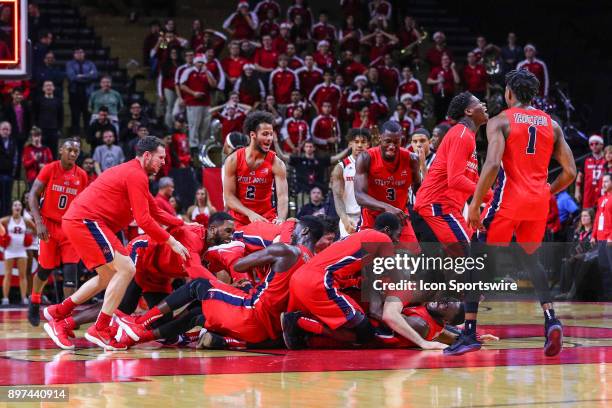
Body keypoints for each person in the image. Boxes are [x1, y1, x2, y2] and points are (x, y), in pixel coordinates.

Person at [456, 69, 577, 357]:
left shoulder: (500, 121)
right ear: (533, 94)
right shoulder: (552, 124)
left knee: (477, 256)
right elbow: (571, 172)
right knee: (529, 257)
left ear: (508, 93)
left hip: (510, 199)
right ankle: (551, 320)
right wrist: (547, 191)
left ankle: (469, 332)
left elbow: (494, 164)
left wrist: (474, 205)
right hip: (538, 202)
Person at [42, 136, 188, 351]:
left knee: (108, 276)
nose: (163, 162)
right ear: (147, 156)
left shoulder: (135, 174)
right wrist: (172, 241)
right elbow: (144, 220)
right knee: (127, 268)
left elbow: (155, 210)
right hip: (86, 221)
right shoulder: (135, 174)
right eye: (160, 157)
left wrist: (181, 223)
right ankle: (100, 328)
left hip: (80, 221)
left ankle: (58, 314)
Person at [117, 215, 323, 349]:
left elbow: (238, 265)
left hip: (253, 311)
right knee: (200, 313)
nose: (230, 236)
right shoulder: (312, 262)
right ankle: (143, 335)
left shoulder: (285, 249)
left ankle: (138, 326)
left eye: (296, 229)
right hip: (266, 327)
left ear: (302, 232)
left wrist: (285, 226)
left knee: (199, 287)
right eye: (227, 232)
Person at [45, 217, 233, 350]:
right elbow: (196, 273)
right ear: (213, 229)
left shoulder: (212, 249)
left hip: (159, 275)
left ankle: (129, 328)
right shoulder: (194, 237)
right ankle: (64, 324)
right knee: (121, 304)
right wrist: (224, 290)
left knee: (166, 327)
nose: (230, 236)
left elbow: (226, 267)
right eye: (228, 231)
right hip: (141, 257)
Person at [281, 213, 400, 349]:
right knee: (365, 332)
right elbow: (394, 277)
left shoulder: (358, 237)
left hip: (300, 278)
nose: (397, 240)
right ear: (387, 230)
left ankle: (306, 327)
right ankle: (299, 322)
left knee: (352, 327)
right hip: (319, 281)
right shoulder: (383, 240)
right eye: (398, 235)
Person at [414, 92, 489, 256]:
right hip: (437, 204)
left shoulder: (468, 136)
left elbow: (472, 178)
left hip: (449, 207)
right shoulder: (461, 135)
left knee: (465, 256)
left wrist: (494, 196)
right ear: (468, 111)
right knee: (466, 255)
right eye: (479, 102)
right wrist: (484, 192)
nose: (484, 105)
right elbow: (455, 180)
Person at [27, 139, 87, 326]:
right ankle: (35, 300)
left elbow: (85, 204)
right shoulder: (50, 169)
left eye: (76, 151)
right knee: (45, 271)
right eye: (70, 150)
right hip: (49, 225)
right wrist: (38, 222)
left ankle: (64, 317)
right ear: (61, 150)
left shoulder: (82, 175)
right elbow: (32, 195)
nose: (73, 153)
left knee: (71, 274)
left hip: (70, 227)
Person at [354, 121, 421, 248]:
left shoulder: (412, 159)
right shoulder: (366, 158)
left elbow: (419, 190)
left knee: (412, 261)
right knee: (367, 260)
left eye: (396, 142)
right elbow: (359, 196)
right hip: (372, 216)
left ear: (402, 140)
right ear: (380, 138)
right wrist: (387, 207)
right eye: (388, 141)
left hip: (400, 217)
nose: (392, 146)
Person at [223, 111, 288, 228]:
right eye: (265, 134)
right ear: (253, 135)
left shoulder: (276, 163)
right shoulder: (233, 160)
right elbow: (229, 197)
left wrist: (281, 219)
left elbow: (283, 196)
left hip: (266, 218)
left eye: (271, 134)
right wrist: (250, 214)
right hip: (239, 219)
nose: (269, 138)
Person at [332, 128, 371, 237]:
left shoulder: (374, 165)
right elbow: (337, 196)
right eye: (356, 142)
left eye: (363, 142)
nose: (359, 145)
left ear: (368, 144)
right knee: (348, 252)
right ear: (350, 144)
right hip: (349, 216)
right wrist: (344, 218)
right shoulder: (341, 167)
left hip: (369, 216)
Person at [180, 54, 217, 151]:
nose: (201, 64)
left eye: (202, 62)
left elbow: (213, 85)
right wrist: (193, 93)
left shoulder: (207, 73)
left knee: (205, 126)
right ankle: (193, 147)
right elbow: (182, 85)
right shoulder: (188, 71)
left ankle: (202, 146)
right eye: (199, 62)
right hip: (193, 103)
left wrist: (207, 72)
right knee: (194, 125)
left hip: (206, 103)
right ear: (195, 62)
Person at [1, 201, 36, 305]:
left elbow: (36, 229)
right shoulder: (8, 220)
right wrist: (3, 233)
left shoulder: (25, 221)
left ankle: (24, 298)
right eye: (15, 205)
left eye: (19, 205)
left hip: (21, 251)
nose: (17, 207)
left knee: (22, 275)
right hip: (9, 251)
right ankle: (5, 298)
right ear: (12, 208)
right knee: (8, 275)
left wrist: (29, 236)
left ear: (21, 208)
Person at [66, 48, 98, 136]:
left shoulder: (90, 63)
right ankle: (75, 135)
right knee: (75, 116)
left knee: (87, 116)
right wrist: (87, 77)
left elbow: (94, 76)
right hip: (74, 94)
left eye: (81, 52)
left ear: (84, 54)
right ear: (74, 54)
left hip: (87, 94)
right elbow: (71, 77)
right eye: (77, 52)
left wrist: (80, 76)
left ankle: (88, 135)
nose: (79, 54)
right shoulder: (70, 64)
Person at [593, 173, 612, 300]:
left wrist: (611, 236)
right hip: (600, 237)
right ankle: (607, 296)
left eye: (606, 181)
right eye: (603, 182)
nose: (603, 184)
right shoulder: (602, 198)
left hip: (609, 238)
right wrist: (594, 235)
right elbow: (597, 218)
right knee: (603, 267)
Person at [32, 81, 63, 157]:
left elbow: (60, 116)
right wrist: (35, 126)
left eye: (50, 85)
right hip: (41, 130)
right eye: (46, 86)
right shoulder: (38, 100)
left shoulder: (58, 101)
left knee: (53, 152)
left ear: (53, 88)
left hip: (53, 130)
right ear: (43, 88)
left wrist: (59, 128)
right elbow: (35, 114)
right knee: (41, 152)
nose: (48, 87)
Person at [575, 134, 606, 209]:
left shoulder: (607, 159)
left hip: (603, 192)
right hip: (588, 194)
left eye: (596, 143)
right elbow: (579, 176)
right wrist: (577, 191)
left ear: (602, 144)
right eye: (591, 144)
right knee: (588, 214)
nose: (594, 146)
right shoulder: (586, 159)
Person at [0, 122, 17, 217]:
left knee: (7, 198)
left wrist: (13, 174)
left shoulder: (13, 142)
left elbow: (15, 158)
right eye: (3, 129)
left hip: (9, 175)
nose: (5, 131)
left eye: (7, 129)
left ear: (10, 131)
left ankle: (5, 219)